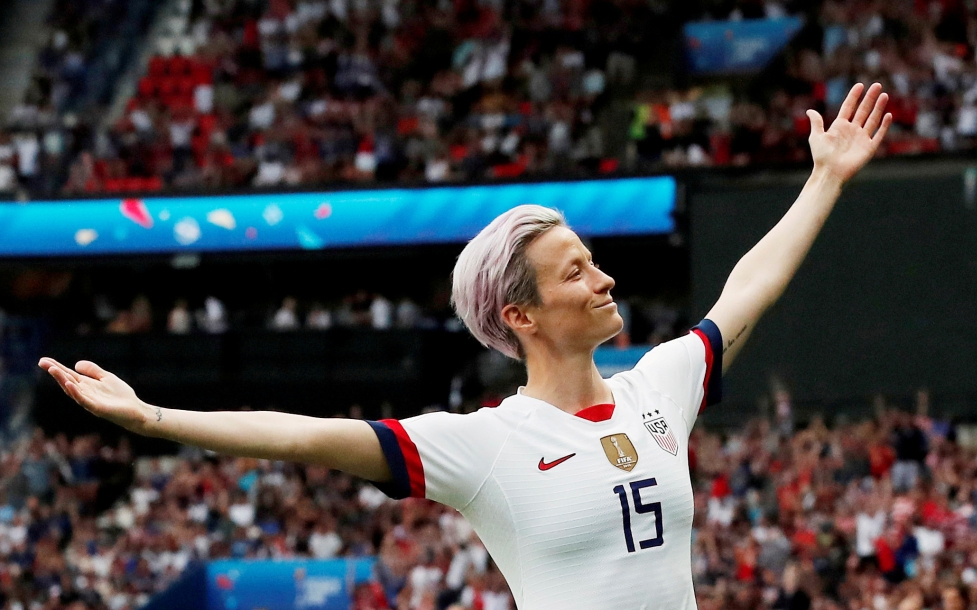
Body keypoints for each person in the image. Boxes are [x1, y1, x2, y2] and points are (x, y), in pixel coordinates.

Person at [39, 83, 892, 610]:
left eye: (596, 265)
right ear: (520, 316)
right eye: (575, 274)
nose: (604, 283)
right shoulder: (484, 447)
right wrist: (153, 417)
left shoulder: (658, 387)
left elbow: (748, 288)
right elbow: (304, 434)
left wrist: (824, 180)